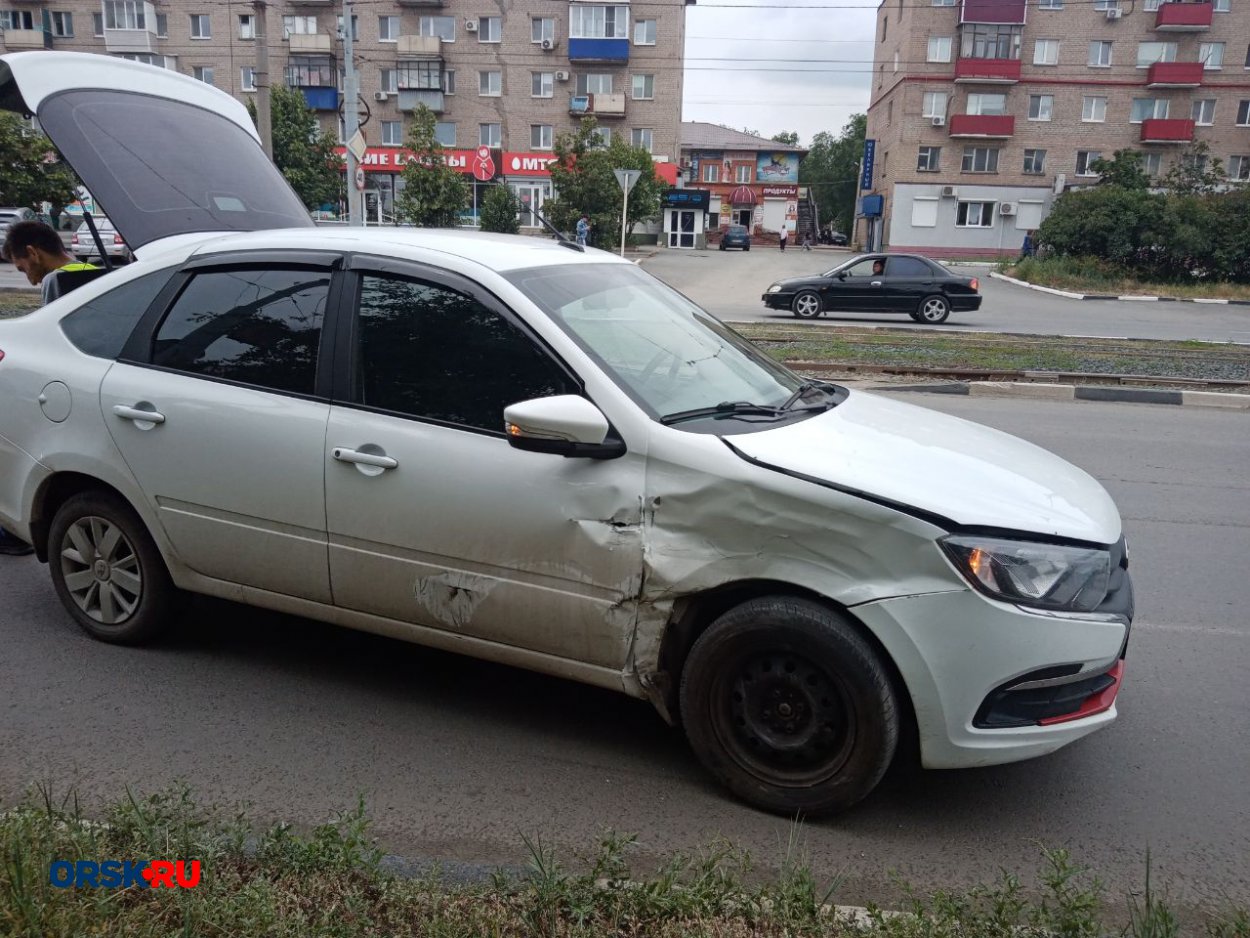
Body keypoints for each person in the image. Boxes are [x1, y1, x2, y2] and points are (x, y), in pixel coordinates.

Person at [0, 220, 99, 556]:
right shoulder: (92, 269)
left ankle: (14, 529)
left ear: (32, 252)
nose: (28, 277)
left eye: (22, 267)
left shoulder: (57, 280)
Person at [2, 219, 98, 305]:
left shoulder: (54, 280)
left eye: (23, 269)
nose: (33, 282)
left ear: (32, 253)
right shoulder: (97, 272)